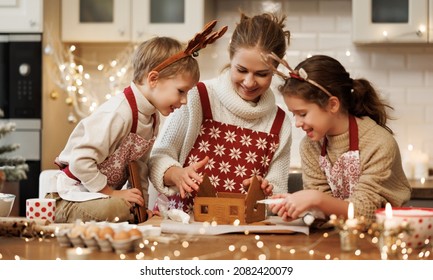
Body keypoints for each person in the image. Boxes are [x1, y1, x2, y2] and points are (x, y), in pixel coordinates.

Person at [50, 22, 226, 223]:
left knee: (129, 212)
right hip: (68, 198)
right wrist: (112, 193)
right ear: (153, 79)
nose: (185, 100)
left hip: (98, 198)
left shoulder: (152, 118)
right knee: (118, 209)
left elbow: (139, 169)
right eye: (181, 91)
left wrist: (141, 208)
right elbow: (80, 161)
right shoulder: (119, 113)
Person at [149, 12, 293, 214]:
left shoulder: (280, 122)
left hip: (244, 235)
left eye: (262, 74)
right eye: (241, 70)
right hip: (183, 224)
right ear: (230, 56)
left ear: (276, 69)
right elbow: (159, 156)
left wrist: (264, 190)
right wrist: (176, 174)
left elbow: (277, 196)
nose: (249, 82)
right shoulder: (196, 97)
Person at [264, 54, 411, 224]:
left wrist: (315, 199)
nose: (297, 123)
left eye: (303, 114)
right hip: (337, 235)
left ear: (333, 104)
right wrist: (302, 208)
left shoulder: (379, 143)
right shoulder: (311, 146)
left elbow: (367, 212)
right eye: (294, 114)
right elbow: (325, 212)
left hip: (383, 235)